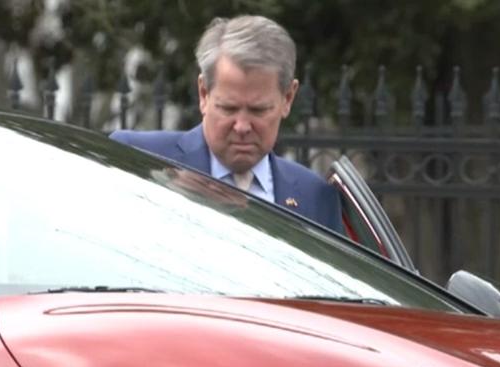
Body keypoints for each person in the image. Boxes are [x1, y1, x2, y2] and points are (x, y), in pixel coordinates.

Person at [110, 15, 343, 233]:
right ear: (203, 94)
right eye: (228, 108)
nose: (242, 126)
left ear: (288, 99)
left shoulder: (316, 197)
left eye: (258, 110)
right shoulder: (138, 159)